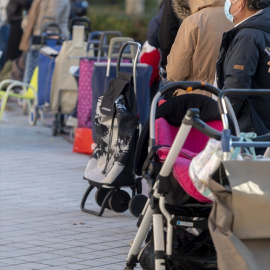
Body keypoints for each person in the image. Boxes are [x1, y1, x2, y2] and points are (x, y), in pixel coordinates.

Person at [216, 0, 270, 136]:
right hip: (262, 120)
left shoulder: (248, 35)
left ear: (241, 3)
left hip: (250, 126)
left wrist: (222, 119)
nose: (227, 3)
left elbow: (236, 85)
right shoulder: (262, 27)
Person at [166, 0, 233, 97]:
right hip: (228, 96)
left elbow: (175, 73)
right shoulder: (236, 19)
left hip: (196, 94)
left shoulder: (193, 21)